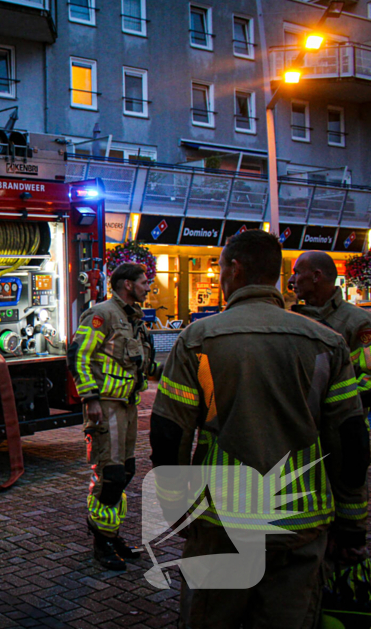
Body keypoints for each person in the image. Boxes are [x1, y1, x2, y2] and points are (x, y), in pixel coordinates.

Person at [150, 230, 369, 628]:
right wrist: (352, 523)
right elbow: (350, 439)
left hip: (222, 520)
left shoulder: (198, 339)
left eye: (220, 268)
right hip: (300, 523)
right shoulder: (328, 342)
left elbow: (170, 433)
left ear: (234, 268)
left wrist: (176, 509)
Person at [68, 262, 156, 570]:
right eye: (144, 282)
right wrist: (90, 398)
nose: (148, 287)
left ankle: (111, 534)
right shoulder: (102, 314)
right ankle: (101, 541)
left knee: (125, 471)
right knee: (110, 475)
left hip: (127, 405)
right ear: (127, 284)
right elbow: (79, 355)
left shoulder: (133, 319)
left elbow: (141, 362)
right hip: (105, 406)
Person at [289, 250, 371, 409]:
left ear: (316, 276)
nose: (291, 280)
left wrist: (331, 405)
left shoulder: (358, 322)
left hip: (341, 422)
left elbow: (368, 381)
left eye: (297, 273)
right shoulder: (293, 320)